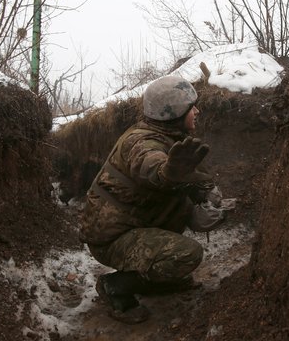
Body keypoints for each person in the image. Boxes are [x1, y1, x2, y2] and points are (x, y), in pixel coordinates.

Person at [79, 76, 225, 324]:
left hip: (133, 225)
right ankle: (115, 286)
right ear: (174, 112)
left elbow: (183, 183)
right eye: (192, 106)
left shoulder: (170, 138)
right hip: (111, 238)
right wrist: (166, 172)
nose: (197, 111)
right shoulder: (142, 140)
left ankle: (153, 280)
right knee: (186, 254)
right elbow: (149, 165)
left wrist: (203, 197)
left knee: (179, 229)